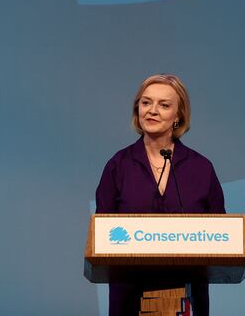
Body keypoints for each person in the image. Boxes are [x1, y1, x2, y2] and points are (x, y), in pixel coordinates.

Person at [95, 73, 225, 316]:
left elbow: (221, 236)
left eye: (164, 105)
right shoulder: (118, 165)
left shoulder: (201, 168)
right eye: (146, 102)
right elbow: (103, 234)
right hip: (129, 296)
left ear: (178, 116)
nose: (152, 110)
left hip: (186, 294)